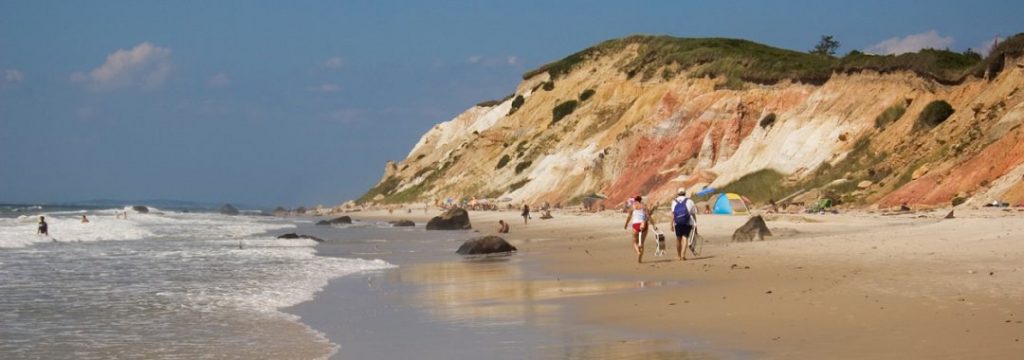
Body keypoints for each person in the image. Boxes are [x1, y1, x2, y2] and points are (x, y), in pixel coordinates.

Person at [623, 196, 658, 263]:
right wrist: (653, 225)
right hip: (643, 225)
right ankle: (640, 259)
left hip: (635, 225)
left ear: (635, 200)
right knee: (641, 243)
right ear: (640, 200)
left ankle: (638, 252)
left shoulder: (632, 207)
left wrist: (626, 224)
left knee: (634, 242)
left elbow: (629, 217)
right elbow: (648, 216)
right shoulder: (644, 206)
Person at [669, 188, 697, 261]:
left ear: (678, 193)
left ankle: (678, 256)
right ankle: (683, 255)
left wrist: (671, 224)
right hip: (687, 222)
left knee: (678, 238)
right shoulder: (690, 201)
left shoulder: (674, 201)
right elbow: (693, 214)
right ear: (685, 193)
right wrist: (695, 224)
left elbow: (673, 214)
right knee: (685, 237)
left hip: (677, 222)